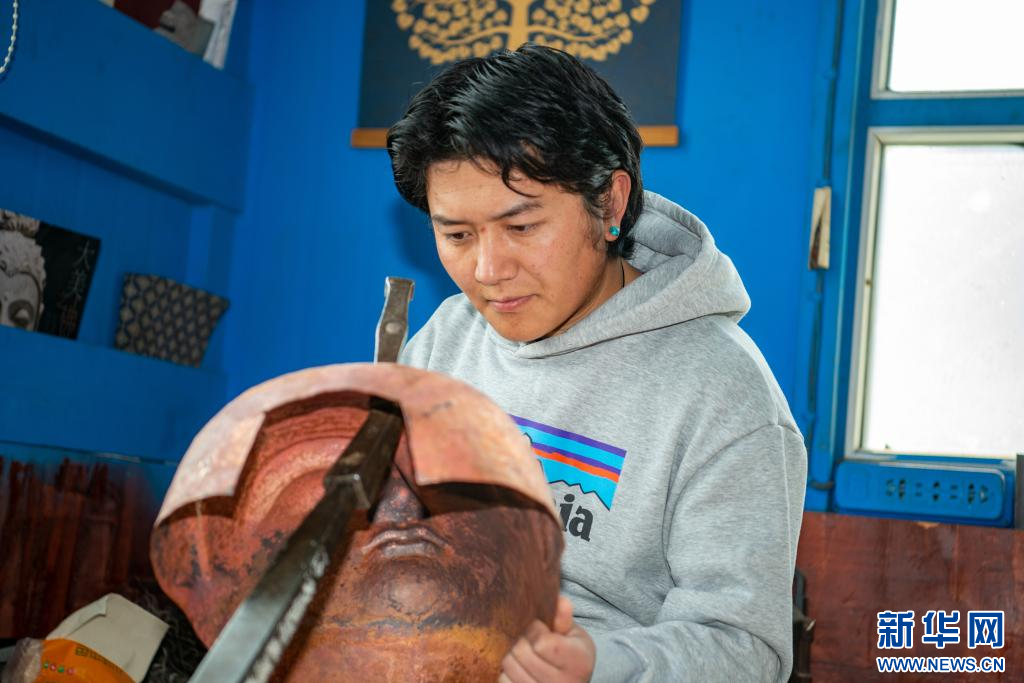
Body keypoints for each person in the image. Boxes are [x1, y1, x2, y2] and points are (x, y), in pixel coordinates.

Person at [387, 44, 807, 682]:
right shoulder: (450, 336)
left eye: (522, 227)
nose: (488, 271)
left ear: (609, 203)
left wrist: (598, 665)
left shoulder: (722, 392)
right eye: (457, 235)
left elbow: (747, 650)